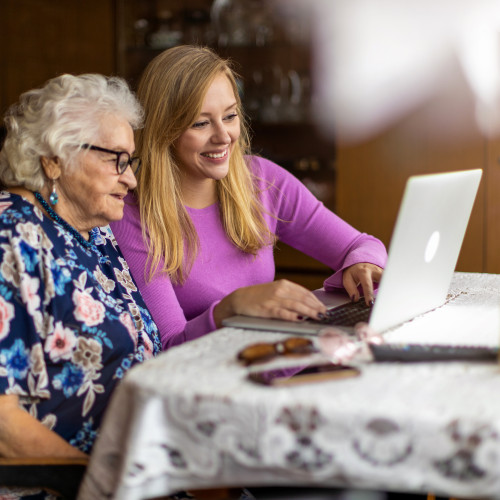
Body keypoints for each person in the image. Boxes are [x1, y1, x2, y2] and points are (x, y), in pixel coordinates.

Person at [111, 45, 387, 350]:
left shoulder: (261, 179)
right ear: (164, 131)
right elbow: (168, 346)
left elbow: (361, 244)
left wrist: (361, 264)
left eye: (229, 116)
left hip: (280, 361)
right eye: (201, 123)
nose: (223, 136)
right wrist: (232, 307)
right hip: (207, 383)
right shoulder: (131, 212)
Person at [0, 73, 163, 498]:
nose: (129, 180)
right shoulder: (11, 238)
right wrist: (103, 483)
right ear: (55, 159)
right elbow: (2, 423)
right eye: (117, 160)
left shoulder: (93, 231)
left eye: (132, 162)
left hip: (140, 469)